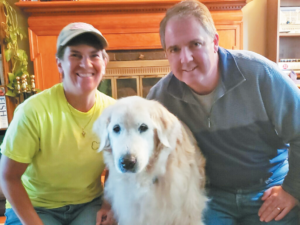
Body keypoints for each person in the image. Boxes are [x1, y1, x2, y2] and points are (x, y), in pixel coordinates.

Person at [147, 0, 300, 224]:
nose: (185, 58)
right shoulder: (160, 97)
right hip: (210, 196)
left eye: (195, 44)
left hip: (268, 189)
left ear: (215, 42)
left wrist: (293, 189)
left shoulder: (261, 75)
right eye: (175, 49)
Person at [0, 22, 116, 225]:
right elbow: (8, 177)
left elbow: (116, 168)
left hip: (88, 205)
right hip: (35, 206)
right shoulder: (32, 112)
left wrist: (108, 204)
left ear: (104, 62)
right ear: (59, 64)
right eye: (75, 55)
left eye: (94, 55)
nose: (86, 64)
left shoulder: (115, 113)